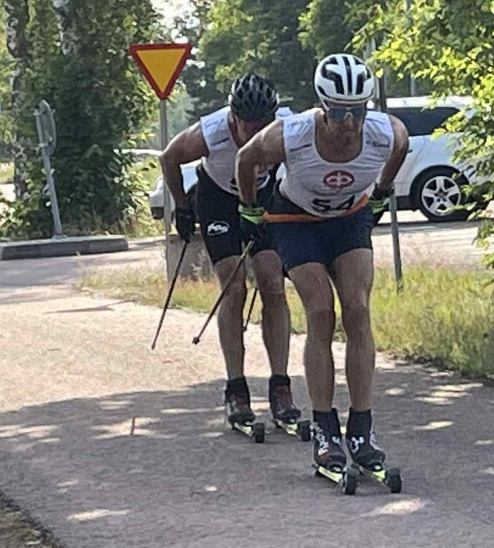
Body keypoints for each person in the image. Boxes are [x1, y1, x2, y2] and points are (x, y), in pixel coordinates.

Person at [234, 53, 409, 472]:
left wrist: (382, 192)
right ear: (321, 105)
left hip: (348, 219)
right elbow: (245, 159)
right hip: (295, 221)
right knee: (320, 311)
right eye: (337, 112)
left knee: (359, 309)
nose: (348, 123)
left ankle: (362, 427)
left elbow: (401, 148)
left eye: (357, 111)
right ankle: (325, 427)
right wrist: (250, 211)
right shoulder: (289, 135)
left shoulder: (387, 133)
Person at [158, 73, 300, 429]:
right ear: (232, 116)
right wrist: (181, 206)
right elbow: (168, 157)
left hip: (261, 197)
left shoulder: (285, 128)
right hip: (218, 199)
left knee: (272, 284)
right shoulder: (211, 132)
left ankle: (280, 386)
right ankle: (236, 387)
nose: (254, 132)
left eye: (262, 124)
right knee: (233, 287)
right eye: (247, 124)